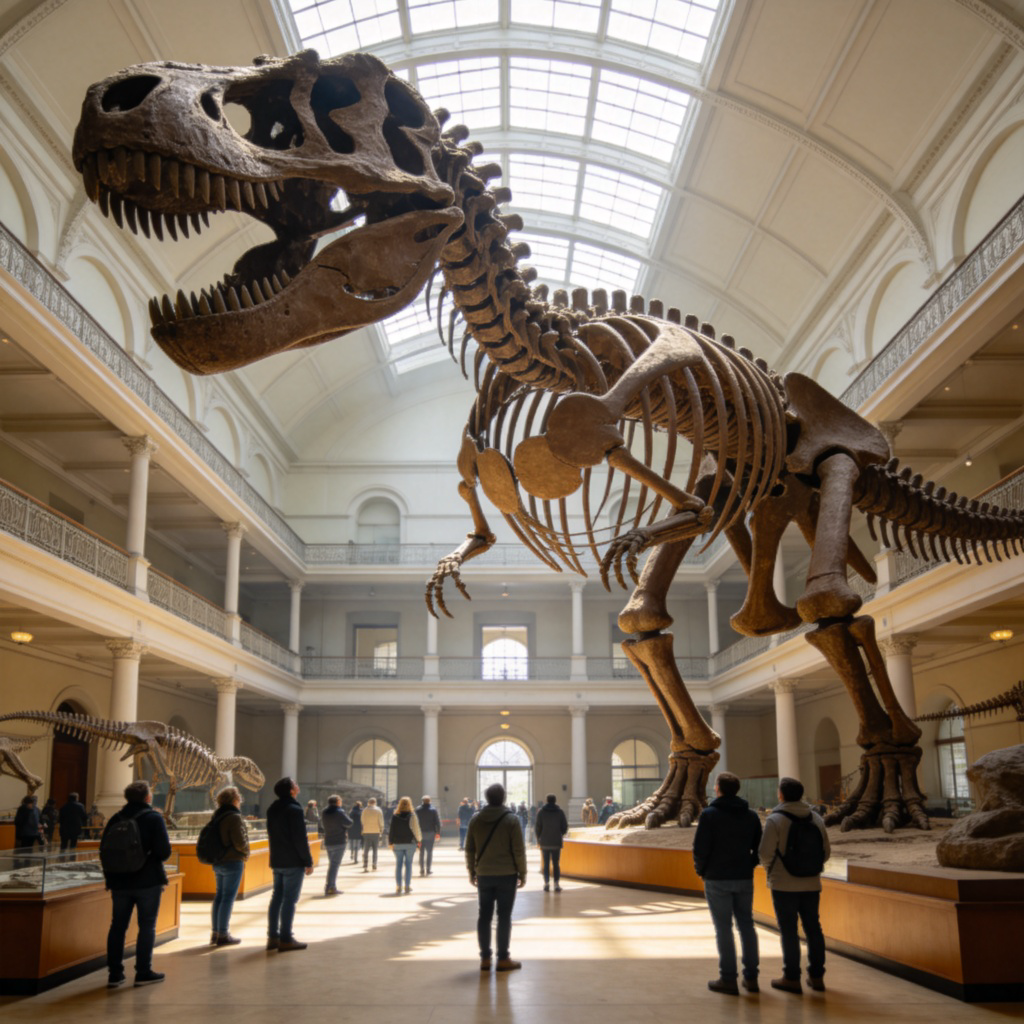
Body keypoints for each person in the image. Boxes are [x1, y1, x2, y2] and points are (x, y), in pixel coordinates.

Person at [693, 771, 763, 995]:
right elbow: (759, 848)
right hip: (743, 877)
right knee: (747, 926)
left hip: (717, 878)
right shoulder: (751, 816)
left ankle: (728, 978)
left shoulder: (709, 815)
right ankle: (751, 978)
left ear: (718, 789)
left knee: (723, 928)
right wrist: (749, 864)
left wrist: (702, 870)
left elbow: (700, 848)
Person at [759, 776, 831, 994]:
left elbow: (765, 853)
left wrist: (774, 870)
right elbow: (825, 852)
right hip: (811, 883)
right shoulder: (816, 819)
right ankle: (817, 976)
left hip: (783, 884)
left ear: (781, 794)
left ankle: (791, 977)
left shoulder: (775, 819)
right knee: (813, 929)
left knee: (789, 931)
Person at [102, 779, 171, 988]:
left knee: (117, 926)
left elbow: (105, 851)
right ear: (147, 797)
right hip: (147, 881)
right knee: (147, 926)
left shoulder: (115, 818)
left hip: (120, 882)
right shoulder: (153, 818)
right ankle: (143, 971)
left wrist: (111, 879)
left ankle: (114, 974)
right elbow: (164, 852)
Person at [465, 782, 527, 972]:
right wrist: (522, 872)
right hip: (507, 875)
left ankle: (485, 958)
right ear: (504, 798)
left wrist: (471, 871)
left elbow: (470, 849)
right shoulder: (512, 820)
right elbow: (518, 850)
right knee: (504, 916)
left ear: (487, 798)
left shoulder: (476, 819)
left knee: (484, 915)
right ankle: (503, 958)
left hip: (484, 873)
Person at [266, 776, 314, 951]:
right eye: (295, 784)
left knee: (276, 898)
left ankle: (272, 936)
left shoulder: (272, 808)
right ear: (291, 790)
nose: (298, 785)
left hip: (277, 860)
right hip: (292, 861)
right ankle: (286, 938)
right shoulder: (294, 809)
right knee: (289, 900)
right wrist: (307, 861)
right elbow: (300, 838)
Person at [209, 785, 250, 945]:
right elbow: (240, 842)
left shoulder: (216, 816)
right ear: (234, 800)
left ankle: (215, 932)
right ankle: (224, 934)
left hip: (218, 861)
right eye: (238, 797)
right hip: (232, 861)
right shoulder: (234, 817)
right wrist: (246, 852)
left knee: (219, 896)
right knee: (228, 898)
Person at [534, 793, 568, 892]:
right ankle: (556, 884)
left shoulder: (541, 812)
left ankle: (546, 883)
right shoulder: (560, 812)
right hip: (556, 842)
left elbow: (538, 827)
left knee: (546, 864)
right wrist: (560, 833)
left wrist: (539, 838)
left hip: (545, 842)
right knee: (556, 863)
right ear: (555, 800)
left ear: (547, 800)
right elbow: (564, 826)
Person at [388, 795, 422, 894]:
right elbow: (416, 830)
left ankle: (398, 886)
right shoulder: (412, 816)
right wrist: (419, 840)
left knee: (398, 865)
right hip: (410, 843)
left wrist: (390, 842)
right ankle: (407, 886)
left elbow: (392, 830)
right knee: (408, 865)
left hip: (397, 844)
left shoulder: (395, 816)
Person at [321, 794, 352, 895]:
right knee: (334, 865)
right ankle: (331, 887)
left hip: (329, 841)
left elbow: (322, 825)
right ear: (338, 801)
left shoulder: (324, 812)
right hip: (339, 841)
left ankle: (329, 885)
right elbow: (349, 822)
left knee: (332, 864)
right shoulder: (340, 812)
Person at [14, 794, 43, 868]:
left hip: (25, 832)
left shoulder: (22, 808)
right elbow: (38, 820)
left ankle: (22, 862)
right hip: (33, 832)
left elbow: (18, 821)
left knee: (23, 848)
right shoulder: (36, 809)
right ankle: (27, 862)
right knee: (29, 849)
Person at [415, 795, 441, 876]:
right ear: (430, 801)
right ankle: (428, 869)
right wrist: (438, 832)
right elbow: (437, 822)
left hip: (420, 833)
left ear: (422, 801)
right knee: (429, 852)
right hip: (430, 833)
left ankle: (422, 869)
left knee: (421, 852)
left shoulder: (417, 809)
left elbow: (415, 822)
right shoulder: (433, 810)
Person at [58, 791, 88, 857]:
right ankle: (72, 859)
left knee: (63, 845)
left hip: (64, 828)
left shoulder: (63, 807)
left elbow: (60, 819)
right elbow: (84, 817)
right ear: (76, 798)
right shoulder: (80, 806)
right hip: (75, 828)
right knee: (73, 845)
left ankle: (61, 859)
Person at [361, 796, 384, 871]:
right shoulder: (378, 810)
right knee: (375, 849)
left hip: (367, 832)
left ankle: (365, 864)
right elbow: (381, 822)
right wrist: (381, 830)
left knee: (366, 849)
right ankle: (374, 863)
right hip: (376, 832)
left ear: (369, 802)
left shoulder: (365, 810)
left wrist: (365, 827)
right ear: (375, 802)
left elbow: (362, 820)